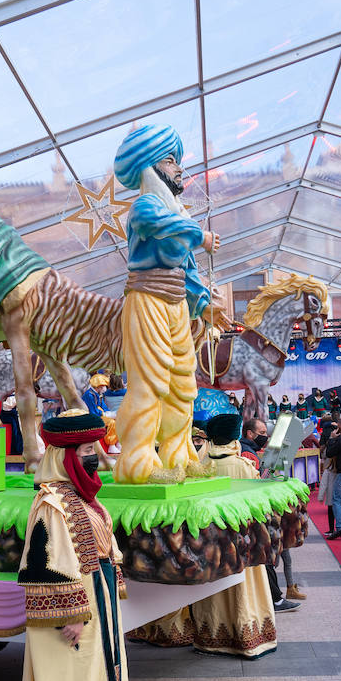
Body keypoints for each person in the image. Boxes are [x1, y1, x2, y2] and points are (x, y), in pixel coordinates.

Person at [15, 410, 133, 681]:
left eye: (92, 448)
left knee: (94, 679)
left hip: (97, 600)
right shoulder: (51, 503)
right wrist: (70, 613)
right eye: (84, 450)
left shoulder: (82, 498)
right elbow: (41, 563)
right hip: (74, 610)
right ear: (65, 456)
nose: (92, 455)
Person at [112, 124, 229, 484]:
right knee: (149, 383)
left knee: (182, 384)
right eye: (170, 160)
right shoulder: (146, 205)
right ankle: (137, 464)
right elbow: (157, 223)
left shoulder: (176, 209)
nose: (179, 168)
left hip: (176, 303)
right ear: (151, 168)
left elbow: (187, 267)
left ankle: (178, 455)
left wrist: (205, 301)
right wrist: (200, 234)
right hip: (147, 299)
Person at [188, 413, 280, 655]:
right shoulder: (243, 466)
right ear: (236, 435)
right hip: (242, 542)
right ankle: (244, 638)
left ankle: (210, 639)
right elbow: (259, 503)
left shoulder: (200, 465)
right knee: (243, 589)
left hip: (209, 544)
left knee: (213, 590)